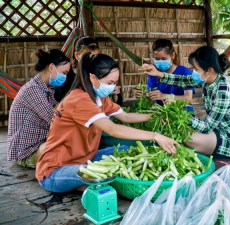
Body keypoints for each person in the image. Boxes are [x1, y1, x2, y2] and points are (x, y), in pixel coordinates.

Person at [35, 53, 178, 193]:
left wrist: (156, 115)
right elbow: (112, 129)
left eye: (114, 82)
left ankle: (84, 185)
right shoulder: (79, 100)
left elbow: (125, 117)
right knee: (106, 172)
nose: (112, 87)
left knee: (125, 151)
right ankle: (86, 186)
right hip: (55, 171)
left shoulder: (99, 97)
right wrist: (155, 135)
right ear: (93, 78)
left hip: (84, 159)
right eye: (110, 83)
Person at [139, 46, 230, 158]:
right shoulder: (209, 80)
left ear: (209, 70)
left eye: (196, 69)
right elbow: (182, 80)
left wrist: (179, 112)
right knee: (181, 131)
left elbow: (206, 127)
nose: (193, 72)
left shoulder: (223, 91)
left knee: (187, 137)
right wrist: (158, 73)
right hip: (216, 130)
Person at [7, 49, 70, 168]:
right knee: (70, 148)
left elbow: (59, 111)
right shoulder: (33, 90)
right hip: (26, 153)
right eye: (64, 73)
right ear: (51, 67)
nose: (65, 77)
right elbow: (55, 120)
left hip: (39, 144)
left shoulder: (46, 89)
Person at [54, 36, 122, 105]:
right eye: (88, 57)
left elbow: (115, 106)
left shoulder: (98, 73)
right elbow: (60, 100)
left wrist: (114, 93)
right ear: (77, 56)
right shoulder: (65, 76)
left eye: (95, 58)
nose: (92, 61)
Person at [134, 39, 194, 110]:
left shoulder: (184, 72)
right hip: (163, 114)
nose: (160, 61)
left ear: (173, 55)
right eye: (157, 58)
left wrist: (165, 96)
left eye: (163, 59)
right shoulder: (153, 74)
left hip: (182, 115)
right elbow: (151, 96)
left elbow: (188, 98)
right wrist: (143, 95)